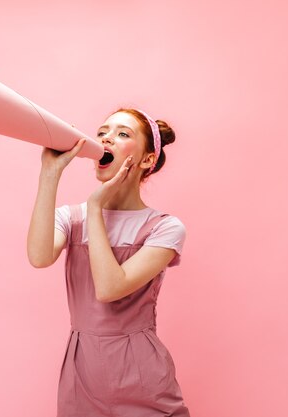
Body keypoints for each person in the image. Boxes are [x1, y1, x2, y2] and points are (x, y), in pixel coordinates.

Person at [27, 107, 191, 416]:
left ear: (147, 160)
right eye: (103, 132)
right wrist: (49, 173)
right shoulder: (71, 218)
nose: (107, 139)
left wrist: (96, 205)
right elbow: (39, 256)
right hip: (82, 374)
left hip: (140, 373)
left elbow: (109, 287)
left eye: (123, 134)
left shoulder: (164, 228)